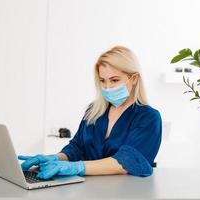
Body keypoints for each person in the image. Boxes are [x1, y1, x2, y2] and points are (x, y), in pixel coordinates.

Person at [18, 46, 162, 179]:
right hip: (86, 190)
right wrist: (56, 158)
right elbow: (77, 147)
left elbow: (128, 161)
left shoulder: (149, 118)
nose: (107, 87)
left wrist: (78, 167)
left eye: (114, 80)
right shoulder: (94, 111)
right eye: (102, 80)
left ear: (134, 79)